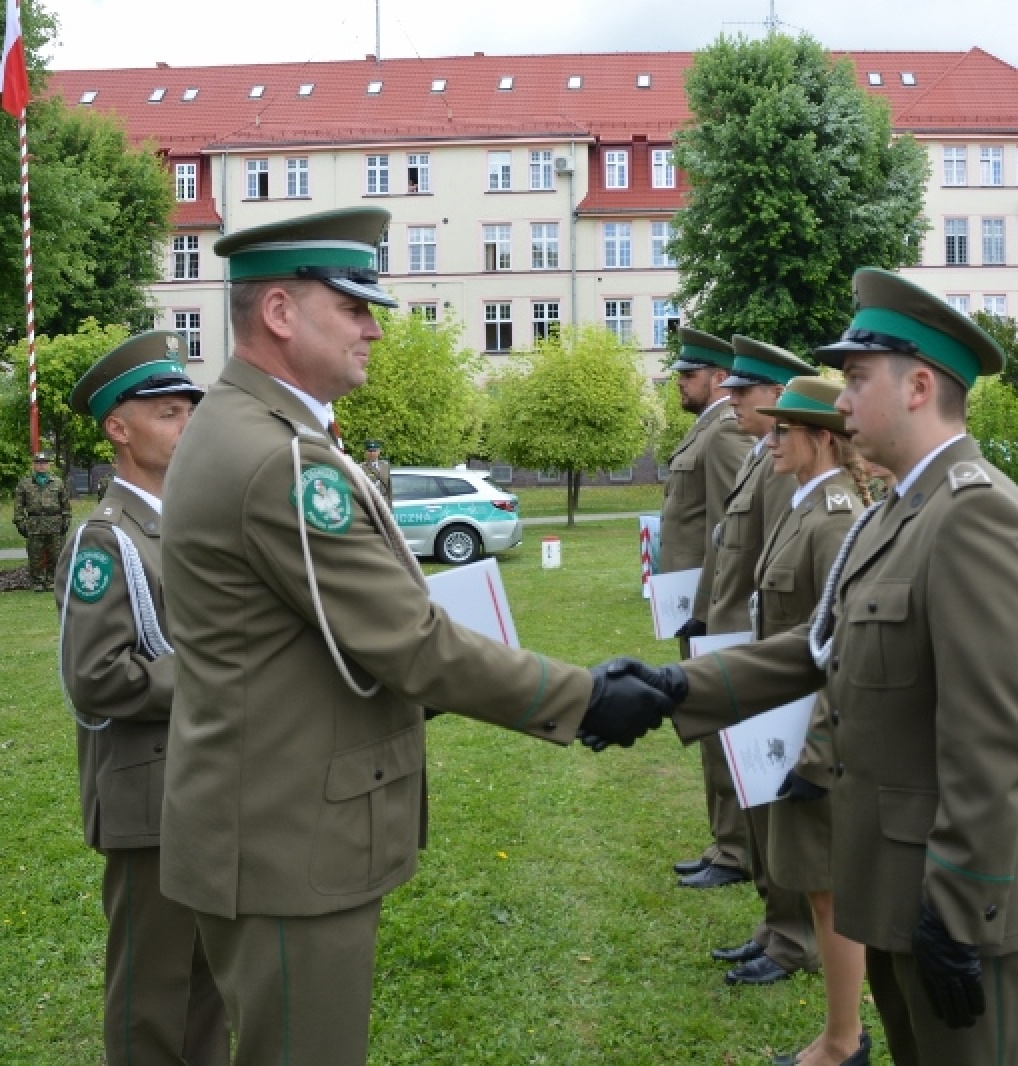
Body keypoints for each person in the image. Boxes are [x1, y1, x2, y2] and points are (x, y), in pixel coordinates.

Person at [157, 206, 672, 1065]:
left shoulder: (256, 430)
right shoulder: (278, 459)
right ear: (281, 313)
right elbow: (408, 641)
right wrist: (583, 701)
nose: (374, 329)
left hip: (263, 821)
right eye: (355, 307)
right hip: (285, 838)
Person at [593, 268, 1018, 1065]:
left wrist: (959, 908)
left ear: (918, 386)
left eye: (854, 379)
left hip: (949, 898)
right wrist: (678, 686)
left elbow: (990, 743)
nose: (838, 403)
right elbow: (817, 648)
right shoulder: (898, 513)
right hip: (888, 877)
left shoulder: (976, 514)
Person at [55, 331, 228, 1066]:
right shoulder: (107, 539)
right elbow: (96, 676)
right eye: (167, 413)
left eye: (190, 409)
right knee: (151, 996)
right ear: (117, 430)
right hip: (149, 800)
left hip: (205, 785)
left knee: (210, 984)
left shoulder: (183, 523)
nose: (186, 423)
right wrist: (223, 672)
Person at [752, 376, 874, 1065]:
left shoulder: (832, 519)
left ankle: (842, 1041)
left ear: (820, 439)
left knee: (830, 893)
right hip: (790, 724)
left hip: (816, 734)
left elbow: (841, 643)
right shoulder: (804, 507)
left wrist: (818, 750)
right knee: (820, 886)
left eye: (782, 432)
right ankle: (841, 1032)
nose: (770, 442)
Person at [695, 337, 819, 984]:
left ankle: (792, 935)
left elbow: (782, 576)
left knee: (777, 807)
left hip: (764, 652)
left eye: (744, 390)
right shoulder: (761, 459)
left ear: (779, 396)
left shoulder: (785, 473)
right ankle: (776, 925)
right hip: (745, 649)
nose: (731, 398)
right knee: (758, 802)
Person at [659, 327, 754, 887]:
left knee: (721, 729)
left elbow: (732, 527)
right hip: (696, 606)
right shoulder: (707, 430)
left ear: (720, 379)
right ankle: (725, 841)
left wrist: (718, 608)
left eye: (689, 375)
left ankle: (737, 850)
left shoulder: (723, 435)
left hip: (715, 609)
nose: (680, 383)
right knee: (706, 724)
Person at [15, 451, 71, 592]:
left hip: (54, 523)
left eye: (44, 463)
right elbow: (18, 506)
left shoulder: (57, 482)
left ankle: (52, 581)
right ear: (33, 465)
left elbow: (65, 504)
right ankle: (38, 582)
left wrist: (66, 520)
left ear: (49, 465)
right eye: (38, 463)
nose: (41, 466)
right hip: (34, 523)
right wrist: (20, 523)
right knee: (35, 555)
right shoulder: (25, 484)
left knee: (56, 554)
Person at [361, 440, 391, 504]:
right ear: (366, 452)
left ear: (379, 452)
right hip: (370, 502)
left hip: (384, 502)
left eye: (374, 451)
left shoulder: (385, 466)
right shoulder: (362, 467)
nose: (372, 453)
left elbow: (389, 488)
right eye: (370, 451)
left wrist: (390, 506)